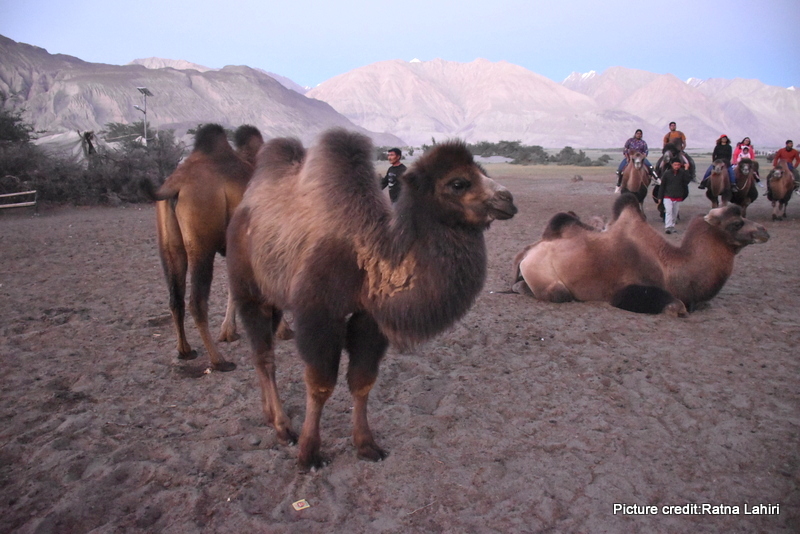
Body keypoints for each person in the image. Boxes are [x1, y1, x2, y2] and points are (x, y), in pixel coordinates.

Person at [614, 129, 656, 193]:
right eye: (638, 133)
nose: (639, 135)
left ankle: (656, 179)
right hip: (631, 157)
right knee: (620, 170)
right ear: (635, 134)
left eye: (640, 134)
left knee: (650, 167)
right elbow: (625, 149)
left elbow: (646, 151)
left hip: (640, 158)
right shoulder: (630, 141)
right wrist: (627, 156)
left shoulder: (643, 142)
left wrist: (643, 156)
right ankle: (618, 185)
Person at [658, 159, 692, 234]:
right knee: (668, 211)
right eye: (675, 165)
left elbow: (687, 181)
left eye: (678, 165)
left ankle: (672, 226)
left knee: (674, 212)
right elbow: (662, 186)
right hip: (667, 196)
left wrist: (686, 170)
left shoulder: (682, 173)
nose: (676, 166)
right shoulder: (667, 173)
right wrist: (660, 197)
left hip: (678, 196)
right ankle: (668, 227)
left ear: (680, 165)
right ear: (671, 165)